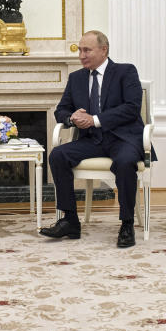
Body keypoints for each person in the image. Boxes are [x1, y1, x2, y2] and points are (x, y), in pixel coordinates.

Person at [39, 30, 151, 248]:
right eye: (80, 50)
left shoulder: (125, 72)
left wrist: (95, 120)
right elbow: (61, 110)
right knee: (58, 155)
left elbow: (131, 108)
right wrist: (72, 117)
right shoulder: (76, 78)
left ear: (104, 50)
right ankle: (70, 220)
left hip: (123, 139)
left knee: (125, 162)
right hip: (92, 140)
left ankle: (126, 223)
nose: (81, 55)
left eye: (86, 50)